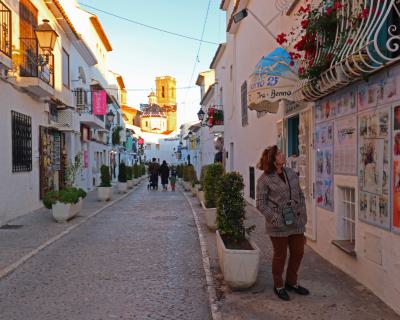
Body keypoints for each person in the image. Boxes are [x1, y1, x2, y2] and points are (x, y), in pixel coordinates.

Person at [256, 145, 309, 301]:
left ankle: (291, 282)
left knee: (298, 252)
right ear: (272, 159)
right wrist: (275, 218)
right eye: (279, 153)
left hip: (297, 221)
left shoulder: (291, 173)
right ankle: (279, 285)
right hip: (278, 224)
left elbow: (300, 195)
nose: (282, 155)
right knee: (280, 255)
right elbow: (260, 203)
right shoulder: (264, 180)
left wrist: (303, 213)